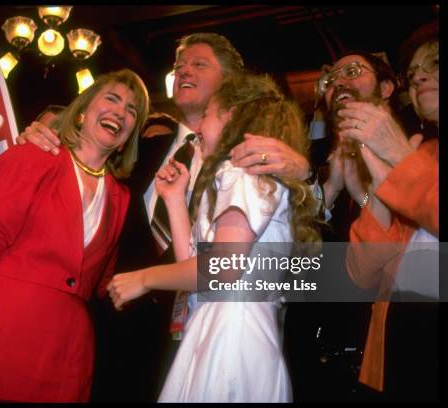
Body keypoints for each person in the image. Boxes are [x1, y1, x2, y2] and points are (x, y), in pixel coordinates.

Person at [17, 32, 311, 401]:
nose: (183, 71)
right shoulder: (145, 145)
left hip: (220, 329)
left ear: (231, 98)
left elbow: (224, 266)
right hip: (134, 330)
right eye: (179, 66)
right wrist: (45, 139)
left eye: (198, 64)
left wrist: (144, 279)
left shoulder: (250, 165)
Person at [0, 69, 150, 402]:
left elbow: (103, 283)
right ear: (82, 111)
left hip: (67, 352)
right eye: (112, 99)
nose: (120, 112)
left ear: (131, 132)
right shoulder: (34, 155)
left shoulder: (121, 198)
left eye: (132, 111)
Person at [107, 72, 320, 402]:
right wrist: (176, 200)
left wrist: (144, 278)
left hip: (231, 332)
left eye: (206, 114)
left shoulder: (241, 170)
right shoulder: (243, 175)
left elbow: (223, 267)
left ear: (232, 115)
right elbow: (196, 271)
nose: (198, 127)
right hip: (222, 325)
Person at [283, 50, 404, 402]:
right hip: (313, 359)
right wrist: (332, 191)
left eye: (352, 71)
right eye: (330, 80)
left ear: (386, 87)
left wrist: (362, 197)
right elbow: (291, 271)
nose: (338, 83)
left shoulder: (412, 151)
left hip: (382, 353)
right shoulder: (312, 161)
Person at [343, 23, 439, 401]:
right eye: (412, 72)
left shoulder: (410, 153)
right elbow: (361, 272)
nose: (418, 76)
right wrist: (371, 193)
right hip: (401, 340)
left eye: (435, 62)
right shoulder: (423, 151)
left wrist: (400, 159)